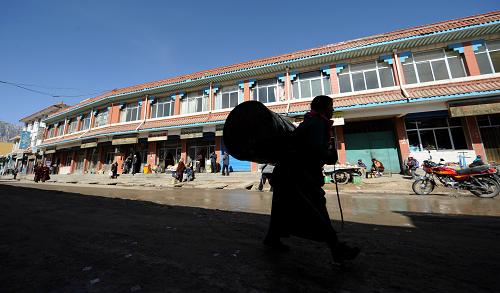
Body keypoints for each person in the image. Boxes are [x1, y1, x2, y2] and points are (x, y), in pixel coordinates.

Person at [264, 95, 359, 264]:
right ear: (323, 108)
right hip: (300, 175)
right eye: (331, 106)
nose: (333, 110)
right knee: (317, 209)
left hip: (287, 173)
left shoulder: (310, 121)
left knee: (281, 207)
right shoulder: (317, 123)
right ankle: (336, 248)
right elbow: (314, 150)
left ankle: (272, 238)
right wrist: (330, 155)